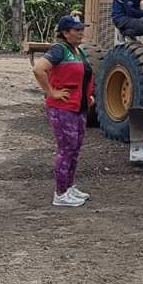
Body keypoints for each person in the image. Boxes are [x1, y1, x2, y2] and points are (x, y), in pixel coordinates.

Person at [33, 15, 94, 207]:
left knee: (75, 149)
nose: (81, 32)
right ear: (66, 33)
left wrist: (88, 96)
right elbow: (39, 69)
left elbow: (84, 76)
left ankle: (69, 186)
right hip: (63, 108)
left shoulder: (78, 51)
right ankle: (60, 194)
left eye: (82, 29)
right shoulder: (59, 50)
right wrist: (52, 92)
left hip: (79, 107)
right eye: (77, 30)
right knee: (66, 149)